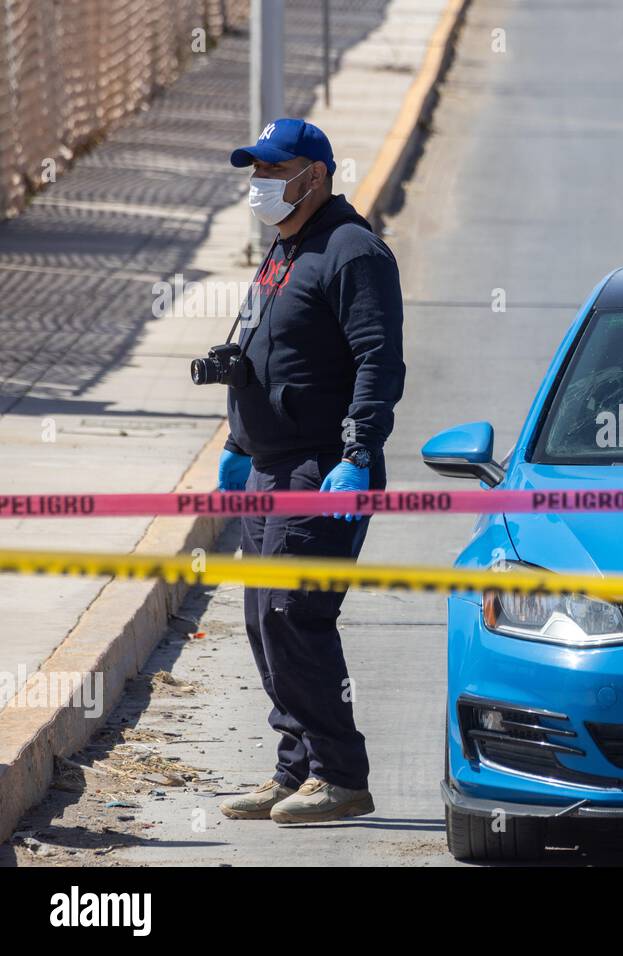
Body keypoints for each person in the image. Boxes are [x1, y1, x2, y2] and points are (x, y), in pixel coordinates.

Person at [214, 118, 405, 825]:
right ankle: (294, 769)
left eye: (275, 168)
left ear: (314, 175)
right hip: (268, 466)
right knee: (265, 620)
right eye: (255, 171)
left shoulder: (353, 251)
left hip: (321, 467)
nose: (261, 183)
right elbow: (258, 350)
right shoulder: (285, 250)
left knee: (298, 615)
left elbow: (378, 362)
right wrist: (237, 444)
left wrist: (357, 458)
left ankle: (339, 775)